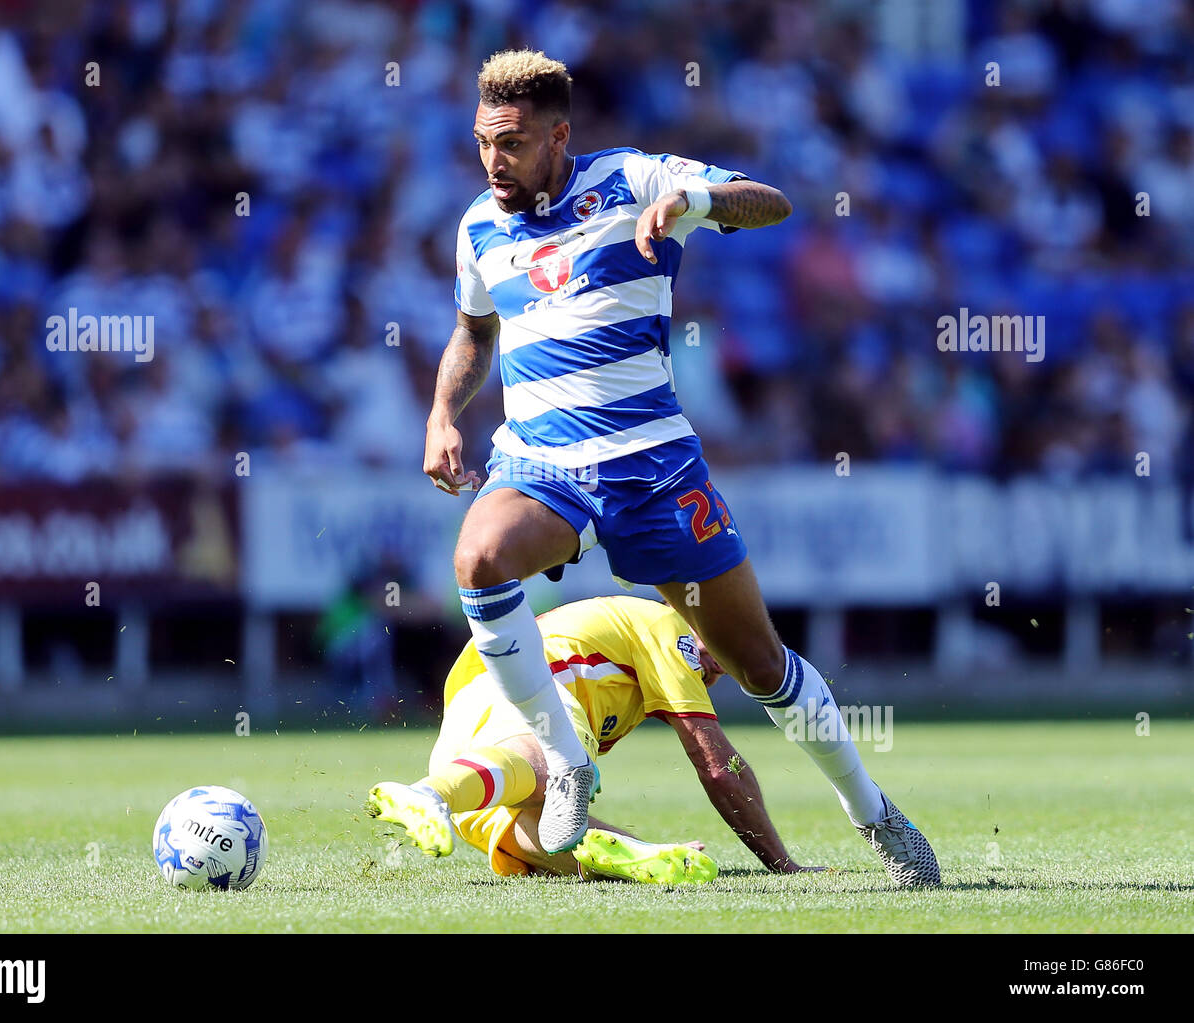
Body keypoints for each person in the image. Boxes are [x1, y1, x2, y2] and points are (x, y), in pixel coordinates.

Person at [422, 49, 939, 884]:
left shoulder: (632, 177)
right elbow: (474, 333)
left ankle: (871, 810)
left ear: (559, 136)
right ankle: (567, 764)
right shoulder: (479, 225)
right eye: (483, 141)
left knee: (762, 667)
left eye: (511, 142)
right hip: (542, 463)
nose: (493, 160)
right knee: (478, 557)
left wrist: (694, 199)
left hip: (653, 467)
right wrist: (445, 412)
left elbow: (769, 202)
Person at [369, 595, 936, 887]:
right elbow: (716, 765)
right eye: (734, 651)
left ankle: (632, 855)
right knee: (556, 761)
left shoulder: (643, 651)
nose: (730, 670)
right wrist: (783, 865)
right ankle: (430, 795)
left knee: (547, 833)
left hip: (472, 746)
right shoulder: (672, 631)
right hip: (524, 692)